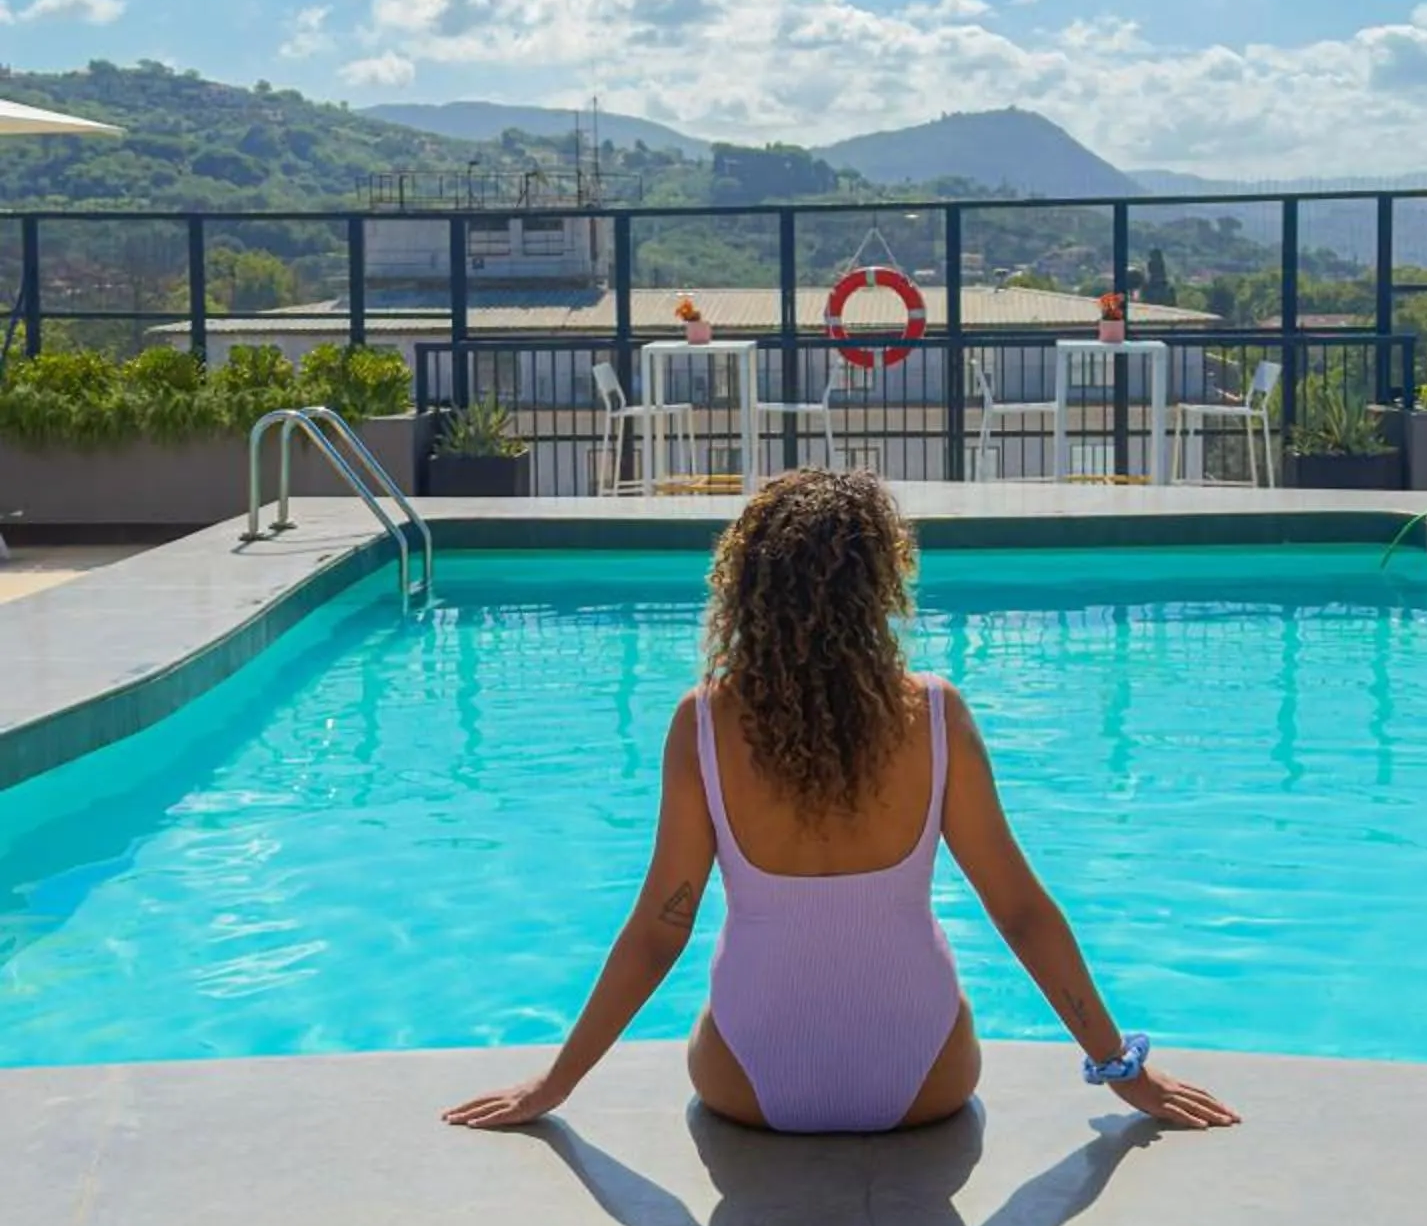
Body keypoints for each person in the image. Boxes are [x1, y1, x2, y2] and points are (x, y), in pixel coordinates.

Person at [446, 468, 1238, 1138]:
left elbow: (662, 928)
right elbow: (1021, 912)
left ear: (745, 587)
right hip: (925, 1081)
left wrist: (553, 1084)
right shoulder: (936, 716)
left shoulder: (704, 723)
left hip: (747, 1085)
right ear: (880, 586)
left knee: (718, 1001)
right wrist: (1120, 1066)